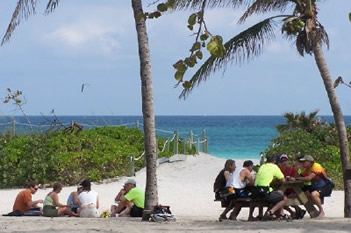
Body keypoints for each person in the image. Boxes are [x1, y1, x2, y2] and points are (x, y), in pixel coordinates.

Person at [255, 154, 288, 221]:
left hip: (256, 190)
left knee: (277, 195)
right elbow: (283, 180)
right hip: (265, 190)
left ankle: (280, 214)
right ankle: (270, 212)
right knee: (284, 198)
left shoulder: (262, 166)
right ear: (274, 160)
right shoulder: (274, 167)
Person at [278, 154, 305, 219]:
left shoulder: (292, 169)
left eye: (285, 160)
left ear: (288, 161)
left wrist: (293, 178)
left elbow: (298, 178)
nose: (284, 162)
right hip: (283, 189)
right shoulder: (279, 169)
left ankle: (297, 211)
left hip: (292, 189)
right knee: (279, 198)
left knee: (282, 198)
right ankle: (295, 211)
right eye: (282, 161)